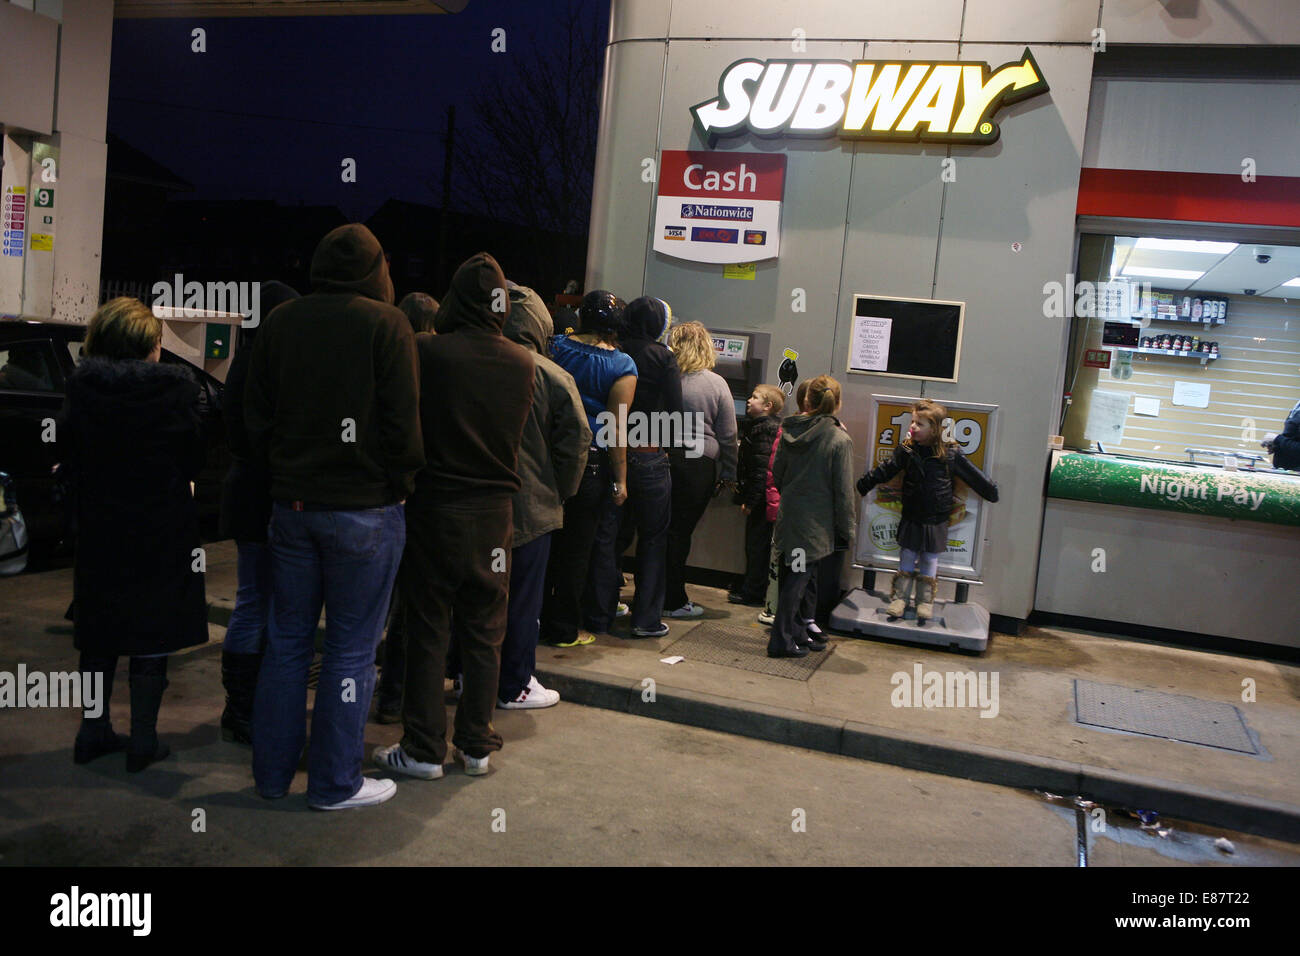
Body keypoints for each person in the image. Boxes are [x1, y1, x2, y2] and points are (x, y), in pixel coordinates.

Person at [245, 223, 423, 810]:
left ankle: (271, 778)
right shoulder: (386, 324)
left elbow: (256, 416)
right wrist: (398, 485)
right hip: (365, 512)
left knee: (287, 644)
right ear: (378, 270)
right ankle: (334, 783)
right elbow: (403, 426)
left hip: (291, 509)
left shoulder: (281, 322)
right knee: (349, 652)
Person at [373, 253, 534, 781]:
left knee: (427, 629)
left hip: (436, 510)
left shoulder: (428, 352)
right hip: (495, 518)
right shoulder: (522, 362)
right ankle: (476, 744)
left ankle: (422, 749)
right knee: (486, 633)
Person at [61, 297, 208, 771]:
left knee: (99, 630)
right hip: (161, 529)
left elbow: (70, 454)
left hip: (102, 527)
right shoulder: (176, 395)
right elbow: (194, 459)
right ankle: (144, 741)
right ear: (148, 347)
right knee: (153, 631)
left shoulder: (83, 391)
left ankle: (92, 731)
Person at [494, 281, 589, 706]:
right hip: (531, 508)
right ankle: (514, 683)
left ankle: (464, 674)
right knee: (522, 601)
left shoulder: (473, 358)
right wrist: (561, 493)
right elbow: (576, 441)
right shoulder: (551, 374)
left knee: (477, 598)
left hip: (472, 505)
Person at [218, 280, 300, 745]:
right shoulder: (264, 366)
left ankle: (244, 706)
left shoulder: (245, 360)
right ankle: (243, 709)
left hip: (247, 494)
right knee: (256, 602)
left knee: (256, 600)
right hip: (259, 498)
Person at [539, 291, 638, 644]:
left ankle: (531, 618)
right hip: (591, 463)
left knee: (541, 543)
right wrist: (621, 480)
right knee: (577, 550)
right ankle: (563, 629)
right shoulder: (622, 366)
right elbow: (617, 427)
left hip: (546, 457)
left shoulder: (555, 347)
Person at [585, 295, 681, 637]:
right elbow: (675, 411)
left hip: (613, 452)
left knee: (609, 537)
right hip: (650, 454)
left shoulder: (617, 351)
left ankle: (600, 613)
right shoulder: (663, 356)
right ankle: (645, 620)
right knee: (653, 539)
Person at [856, 398, 999, 622]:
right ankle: (900, 598)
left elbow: (972, 474)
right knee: (908, 553)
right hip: (912, 513)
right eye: (913, 422)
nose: (913, 427)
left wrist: (990, 491)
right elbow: (887, 469)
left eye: (919, 424)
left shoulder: (951, 453)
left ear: (934, 429)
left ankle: (925, 601)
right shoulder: (906, 450)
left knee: (930, 558)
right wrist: (866, 483)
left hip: (936, 516)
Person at [373, 293, 438, 723]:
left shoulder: (387, 356)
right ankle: (398, 696)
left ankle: (386, 692)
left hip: (387, 495)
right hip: (424, 496)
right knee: (415, 608)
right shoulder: (433, 360)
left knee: (385, 604)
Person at [769, 375, 855, 658]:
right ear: (837, 403)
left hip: (791, 518)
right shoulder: (839, 439)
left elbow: (778, 475)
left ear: (807, 401)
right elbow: (843, 492)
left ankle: (794, 633)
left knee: (791, 577)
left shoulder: (790, 429)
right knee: (798, 581)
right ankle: (781, 640)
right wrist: (847, 530)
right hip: (817, 525)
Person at [663, 321, 738, 619]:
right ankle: (673, 600)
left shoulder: (664, 378)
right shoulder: (716, 383)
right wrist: (729, 473)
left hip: (661, 458)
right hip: (698, 466)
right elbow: (729, 435)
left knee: (657, 533)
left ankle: (650, 595)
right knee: (680, 534)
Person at [758, 381, 807, 626]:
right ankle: (787, 613)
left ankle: (776, 608)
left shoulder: (788, 427)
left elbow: (774, 470)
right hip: (804, 518)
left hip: (787, 511)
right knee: (797, 565)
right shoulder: (833, 432)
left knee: (786, 562)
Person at [729, 384, 784, 606]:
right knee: (757, 545)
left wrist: (750, 501)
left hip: (762, 502)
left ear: (767, 407)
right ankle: (752, 585)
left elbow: (762, 471)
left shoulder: (763, 430)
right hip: (766, 499)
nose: (749, 401)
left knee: (756, 545)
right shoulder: (764, 427)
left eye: (755, 397)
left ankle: (752, 591)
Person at [1264, 399, 1300, 471]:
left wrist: (1277, 439)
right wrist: (1277, 445)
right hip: (1285, 471)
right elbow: (1292, 436)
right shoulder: (1298, 406)